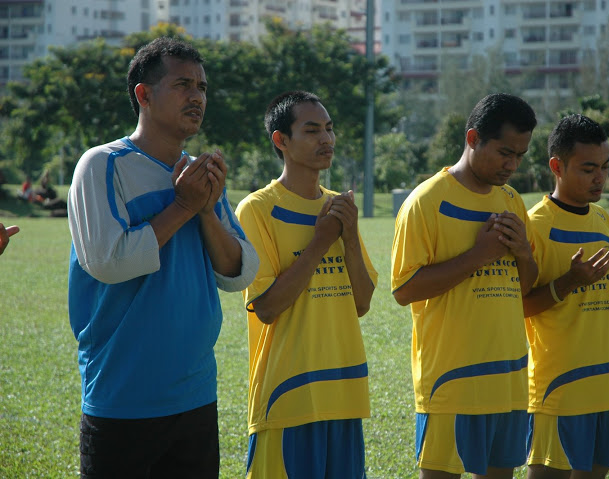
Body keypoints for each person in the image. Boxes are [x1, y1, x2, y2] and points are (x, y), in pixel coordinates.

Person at [67, 37, 258, 478]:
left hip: (195, 395)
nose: (197, 97)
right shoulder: (101, 165)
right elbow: (108, 262)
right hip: (122, 397)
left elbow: (238, 271)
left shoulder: (199, 173)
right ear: (144, 95)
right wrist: (184, 207)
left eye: (203, 87)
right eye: (183, 85)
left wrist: (207, 209)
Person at [390, 93, 538, 479]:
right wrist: (478, 255)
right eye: (505, 152)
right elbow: (404, 289)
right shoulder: (426, 201)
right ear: (473, 138)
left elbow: (525, 286)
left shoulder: (512, 201)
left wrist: (523, 252)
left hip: (508, 380)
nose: (513, 165)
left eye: (520, 155)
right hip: (451, 385)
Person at [235, 91, 377, 478]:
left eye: (329, 129)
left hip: (345, 394)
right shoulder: (257, 209)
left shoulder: (338, 206)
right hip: (288, 398)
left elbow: (361, 303)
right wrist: (320, 241)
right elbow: (265, 306)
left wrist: (348, 236)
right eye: (312, 130)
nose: (326, 140)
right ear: (281, 140)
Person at [523, 114, 609, 479]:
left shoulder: (600, 217)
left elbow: (601, 291)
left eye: (604, 167)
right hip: (560, 387)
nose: (600, 177)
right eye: (588, 169)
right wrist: (567, 282)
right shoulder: (535, 225)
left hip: (608, 381)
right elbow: (519, 304)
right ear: (557, 166)